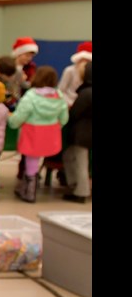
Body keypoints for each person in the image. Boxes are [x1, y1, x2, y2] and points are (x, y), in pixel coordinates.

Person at [8, 66, 69, 203]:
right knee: (37, 161)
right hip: (51, 135)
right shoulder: (59, 96)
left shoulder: (31, 96)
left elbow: (19, 116)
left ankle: (29, 191)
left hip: (33, 133)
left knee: (31, 161)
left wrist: (12, 122)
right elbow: (64, 118)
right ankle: (28, 187)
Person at [61, 61, 92, 203]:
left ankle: (81, 191)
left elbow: (75, 113)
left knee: (80, 162)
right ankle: (74, 185)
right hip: (86, 133)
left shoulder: (86, 92)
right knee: (71, 157)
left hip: (83, 133)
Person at [58, 41, 91, 105]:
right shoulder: (69, 70)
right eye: (83, 60)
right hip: (69, 103)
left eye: (88, 61)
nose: (85, 63)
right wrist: (68, 103)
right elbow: (61, 90)